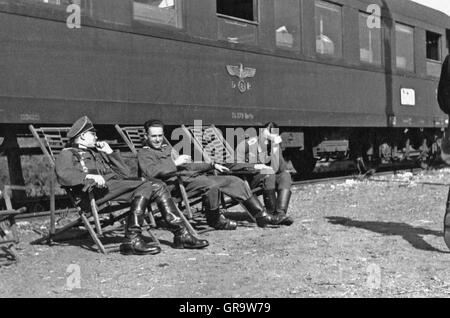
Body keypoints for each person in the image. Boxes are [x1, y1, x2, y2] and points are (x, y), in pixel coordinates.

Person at [55, 116, 208, 256]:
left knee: (157, 185)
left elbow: (125, 173)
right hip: (93, 194)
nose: (96, 137)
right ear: (82, 136)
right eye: (92, 134)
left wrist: (109, 153)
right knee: (146, 185)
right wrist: (88, 176)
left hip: (111, 189)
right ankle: (133, 239)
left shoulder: (96, 152)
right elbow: (63, 175)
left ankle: (181, 234)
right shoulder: (68, 153)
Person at [137, 120, 285, 230]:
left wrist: (212, 164)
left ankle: (261, 216)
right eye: (153, 136)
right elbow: (150, 172)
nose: (157, 139)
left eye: (160, 135)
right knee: (211, 185)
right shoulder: (144, 153)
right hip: (173, 186)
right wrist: (175, 164)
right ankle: (214, 220)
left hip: (190, 179)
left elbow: (188, 165)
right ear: (146, 136)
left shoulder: (166, 149)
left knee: (233, 180)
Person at [235, 122, 294, 226]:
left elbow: (281, 169)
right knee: (269, 173)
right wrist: (255, 166)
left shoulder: (273, 145)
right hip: (250, 179)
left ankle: (280, 214)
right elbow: (234, 163)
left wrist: (276, 147)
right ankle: (270, 214)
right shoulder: (248, 144)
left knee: (285, 176)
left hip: (267, 179)